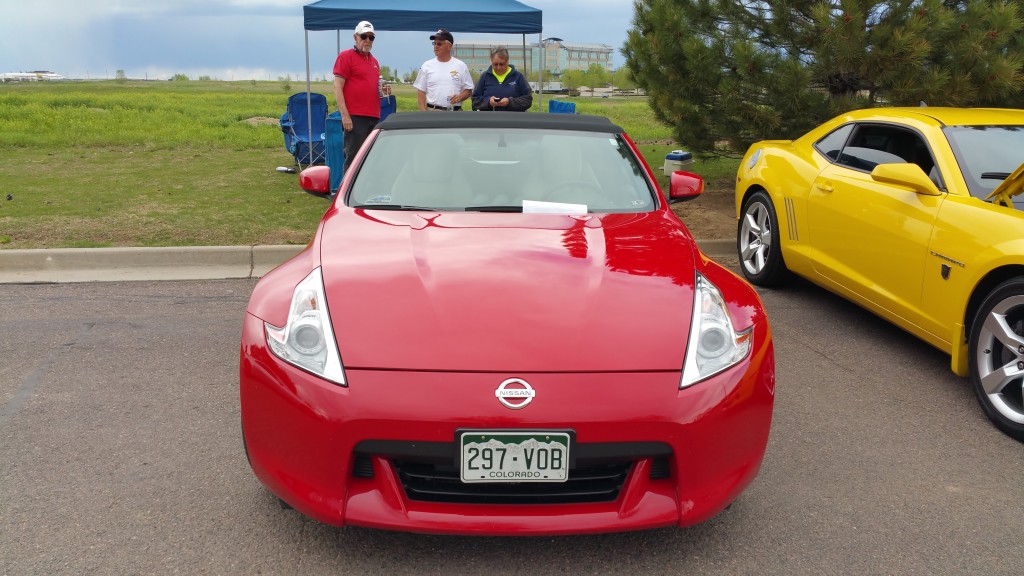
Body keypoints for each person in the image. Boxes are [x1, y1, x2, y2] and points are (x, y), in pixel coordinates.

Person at [332, 20, 388, 176]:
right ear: (355, 37)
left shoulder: (374, 61)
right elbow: (337, 87)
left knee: (371, 158)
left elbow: (371, 88)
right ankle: (347, 190)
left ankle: (366, 188)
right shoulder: (346, 56)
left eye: (371, 37)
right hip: (355, 117)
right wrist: (345, 116)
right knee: (353, 159)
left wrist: (382, 91)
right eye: (364, 36)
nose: (368, 40)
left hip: (374, 116)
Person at [413, 29, 474, 111]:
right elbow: (421, 91)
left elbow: (468, 90)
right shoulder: (426, 66)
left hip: (455, 112)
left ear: (449, 46)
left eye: (439, 44)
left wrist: (460, 97)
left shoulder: (461, 66)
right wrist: (423, 112)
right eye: (434, 43)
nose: (436, 46)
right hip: (433, 111)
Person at [471, 47, 533, 112]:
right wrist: (488, 102)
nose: (498, 67)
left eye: (501, 64)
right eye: (495, 64)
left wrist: (509, 102)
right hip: (489, 117)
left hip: (513, 117)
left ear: (507, 61)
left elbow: (528, 100)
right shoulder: (485, 76)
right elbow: (475, 100)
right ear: (491, 61)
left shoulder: (518, 77)